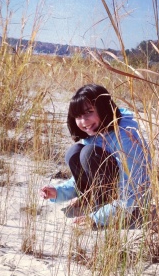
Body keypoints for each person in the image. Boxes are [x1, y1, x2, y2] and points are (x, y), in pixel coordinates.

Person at [39, 84, 151, 228]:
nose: (84, 121)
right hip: (110, 193)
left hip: (132, 200)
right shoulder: (94, 132)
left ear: (104, 108)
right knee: (75, 153)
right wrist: (58, 192)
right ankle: (89, 199)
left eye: (89, 112)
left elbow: (133, 192)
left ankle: (105, 205)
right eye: (78, 116)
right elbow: (83, 177)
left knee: (88, 152)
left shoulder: (124, 137)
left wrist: (97, 218)